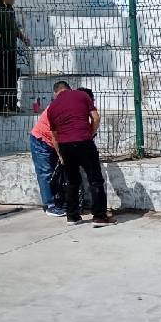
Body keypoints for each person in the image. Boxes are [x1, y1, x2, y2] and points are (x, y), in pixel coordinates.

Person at [47, 81, 112, 227]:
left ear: (56, 92)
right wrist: (90, 132)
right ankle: (100, 217)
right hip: (83, 141)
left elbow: (54, 136)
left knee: (72, 181)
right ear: (68, 88)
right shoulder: (81, 95)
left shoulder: (52, 107)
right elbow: (95, 117)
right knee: (95, 179)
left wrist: (60, 155)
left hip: (65, 146)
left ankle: (72, 216)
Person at [29, 104, 65, 218]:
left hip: (54, 141)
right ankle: (50, 205)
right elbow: (54, 136)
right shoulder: (57, 108)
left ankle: (60, 202)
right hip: (41, 140)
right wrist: (60, 155)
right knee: (45, 173)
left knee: (57, 174)